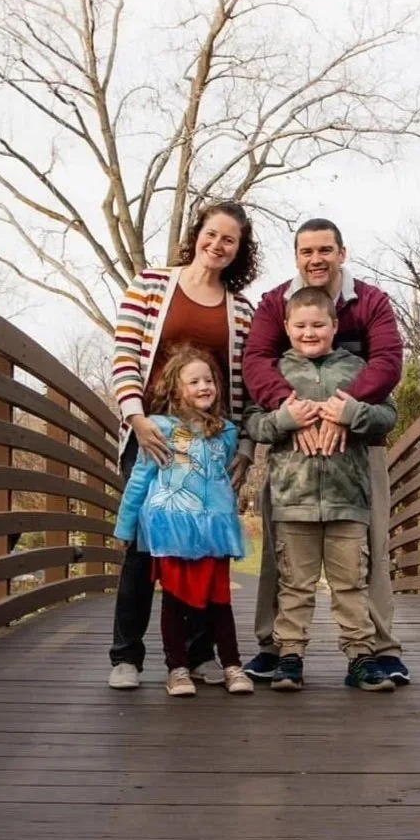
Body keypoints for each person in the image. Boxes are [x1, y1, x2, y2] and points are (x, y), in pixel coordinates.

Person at [240, 218, 409, 685]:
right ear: (296, 256)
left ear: (342, 252)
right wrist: (292, 415)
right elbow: (255, 362)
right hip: (293, 457)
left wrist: (341, 411)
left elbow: (388, 361)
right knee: (285, 560)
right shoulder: (276, 303)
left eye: (325, 250)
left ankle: (376, 650)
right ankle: (277, 648)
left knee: (365, 554)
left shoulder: (370, 301)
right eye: (306, 251)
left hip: (354, 450)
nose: (316, 259)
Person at [106, 202, 258, 690]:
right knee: (142, 547)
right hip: (152, 436)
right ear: (197, 235)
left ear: (239, 251)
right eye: (212, 234)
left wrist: (246, 446)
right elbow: (125, 354)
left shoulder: (241, 310)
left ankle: (198, 656)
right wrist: (136, 416)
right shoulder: (151, 285)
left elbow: (248, 388)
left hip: (209, 443)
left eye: (229, 240)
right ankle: (127, 655)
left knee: (203, 545)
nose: (218, 245)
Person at [113, 348, 254, 697]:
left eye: (209, 380)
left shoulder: (226, 432)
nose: (204, 386)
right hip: (172, 526)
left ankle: (230, 662)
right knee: (175, 598)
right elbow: (140, 480)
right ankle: (176, 667)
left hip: (213, 527)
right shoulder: (159, 428)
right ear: (176, 390)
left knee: (218, 597)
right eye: (194, 381)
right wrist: (126, 526)